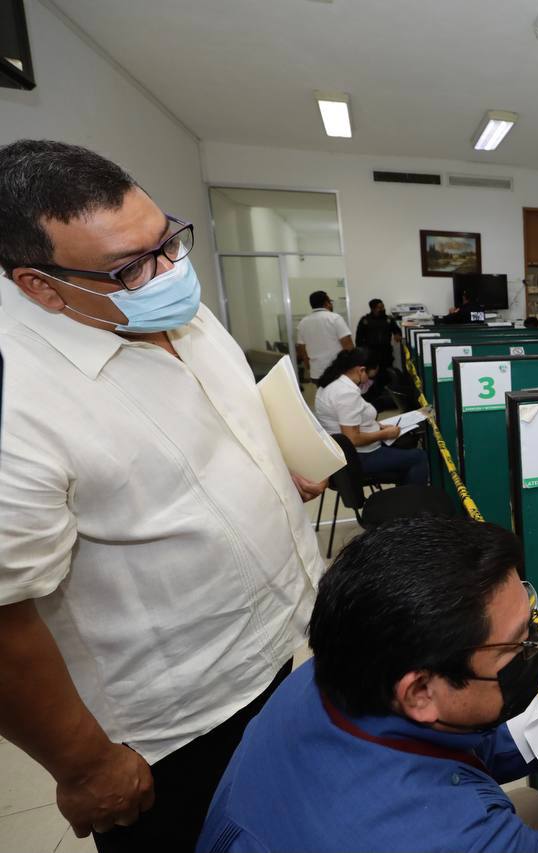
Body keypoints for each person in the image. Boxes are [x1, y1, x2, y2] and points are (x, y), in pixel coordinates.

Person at [0, 139, 327, 852]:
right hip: (174, 730)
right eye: (129, 266)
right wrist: (85, 765)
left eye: (166, 242)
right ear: (41, 285)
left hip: (276, 647)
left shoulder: (158, 296)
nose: (166, 274)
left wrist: (271, 474)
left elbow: (212, 421)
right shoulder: (15, 398)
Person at [199, 517, 538, 853]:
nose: (537, 647)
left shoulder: (333, 672)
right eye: (515, 645)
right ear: (420, 691)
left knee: (531, 805)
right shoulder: (450, 838)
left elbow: (441, 740)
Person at [314, 347, 429, 484]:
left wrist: (378, 426)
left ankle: (404, 496)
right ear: (361, 370)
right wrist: (385, 434)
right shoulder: (345, 393)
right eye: (369, 376)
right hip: (358, 457)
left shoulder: (331, 383)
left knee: (405, 446)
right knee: (419, 457)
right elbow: (352, 438)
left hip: (343, 454)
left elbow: (350, 420)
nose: (368, 380)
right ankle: (412, 501)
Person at [297, 289, 353, 382]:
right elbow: (348, 346)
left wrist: (309, 366)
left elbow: (302, 349)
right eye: (330, 301)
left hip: (316, 373)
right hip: (337, 372)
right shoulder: (335, 318)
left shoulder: (302, 323)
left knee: (322, 396)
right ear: (326, 303)